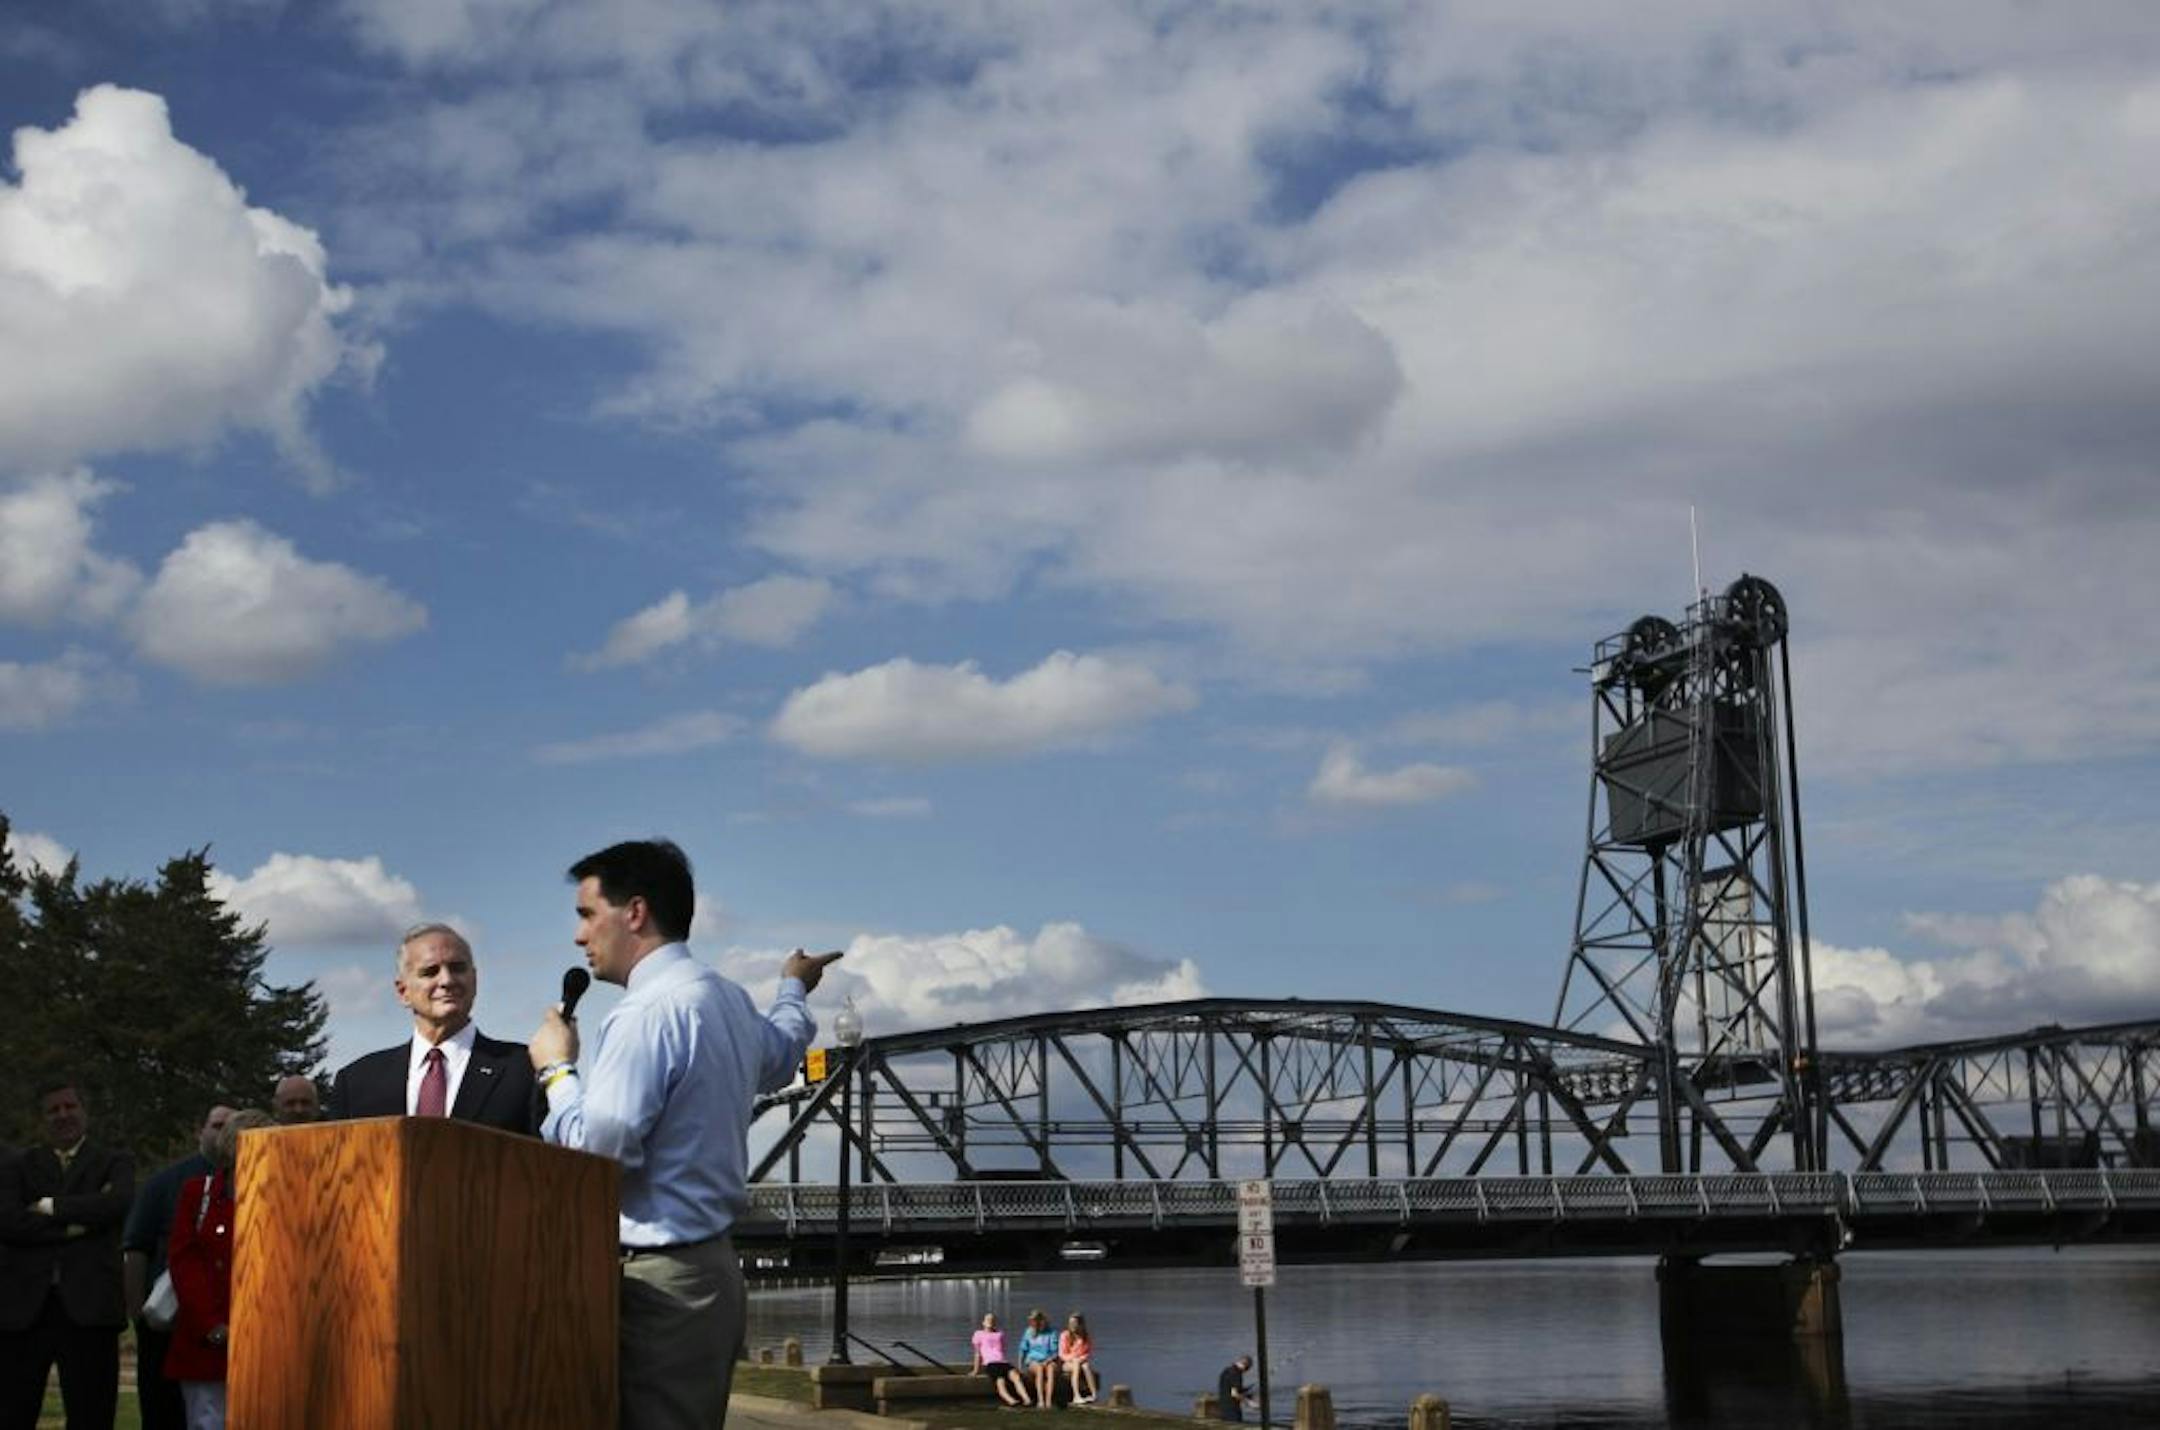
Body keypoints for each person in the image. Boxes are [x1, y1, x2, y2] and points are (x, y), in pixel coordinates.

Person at [528, 838, 841, 1430]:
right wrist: (792, 987)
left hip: (656, 1284)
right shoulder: (722, 996)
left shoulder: (646, 1013)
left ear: (635, 912)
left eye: (587, 914)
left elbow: (597, 1157)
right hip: (708, 1276)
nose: (578, 936)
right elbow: (780, 1055)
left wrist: (556, 1070)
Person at [0, 1079, 135, 1430]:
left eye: (69, 1107)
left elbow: (115, 1205)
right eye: (53, 1110)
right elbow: (10, 1222)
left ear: (84, 1111)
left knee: (92, 1414)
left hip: (90, 1311)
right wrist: (77, 1225)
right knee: (13, 1411)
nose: (63, 1115)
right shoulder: (18, 1165)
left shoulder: (114, 1161)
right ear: (42, 1119)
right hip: (26, 1311)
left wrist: (48, 1206)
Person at [327, 923, 540, 1134]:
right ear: (403, 992)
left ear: (474, 980)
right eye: (430, 972)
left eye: (458, 968)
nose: (447, 980)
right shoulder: (357, 1082)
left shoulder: (527, 1070)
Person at [122, 1104, 234, 1430]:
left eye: (231, 1126)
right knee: (164, 1411)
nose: (224, 1133)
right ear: (201, 1131)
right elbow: (135, 1247)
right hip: (169, 1323)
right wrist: (138, 1315)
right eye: (217, 1125)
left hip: (224, 1327)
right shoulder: (168, 1184)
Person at [162, 1109, 275, 1430]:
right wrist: (212, 1325)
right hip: (208, 1346)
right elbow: (184, 1264)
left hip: (266, 1348)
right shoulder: (199, 1195)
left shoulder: (286, 1197)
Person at [969, 1312, 1030, 1406]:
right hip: (990, 1363)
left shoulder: (1000, 1334)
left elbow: (1003, 1350)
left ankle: (1026, 1399)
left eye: (992, 1320)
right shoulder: (978, 1334)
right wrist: (975, 1370)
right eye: (988, 1319)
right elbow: (977, 1354)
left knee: (1016, 1377)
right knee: (1000, 1381)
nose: (990, 1321)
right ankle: (1010, 1400)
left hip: (1003, 1362)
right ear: (983, 1322)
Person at [1016, 1309, 1060, 1410]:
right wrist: (1019, 1365)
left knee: (1051, 1370)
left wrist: (1048, 1361)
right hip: (1033, 1361)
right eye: (1032, 1320)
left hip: (1049, 1359)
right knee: (1039, 1368)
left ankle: (1049, 1401)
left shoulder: (1051, 1333)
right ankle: (1041, 1400)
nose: (1033, 1322)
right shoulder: (1028, 1331)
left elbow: (1055, 1352)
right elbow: (1022, 1349)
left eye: (1035, 1320)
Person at [1058, 1312, 1098, 1405]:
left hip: (1080, 1361)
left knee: (1086, 1366)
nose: (1072, 1325)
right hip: (1066, 1363)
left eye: (1074, 1323)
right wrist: (1074, 1359)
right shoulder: (1065, 1335)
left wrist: (1081, 1359)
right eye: (1070, 1323)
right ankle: (1076, 1395)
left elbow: (1088, 1352)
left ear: (1080, 1324)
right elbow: (1062, 1354)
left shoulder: (1085, 1336)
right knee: (1076, 1364)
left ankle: (1094, 1394)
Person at [1217, 1354, 1253, 1422]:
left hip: (1223, 1407)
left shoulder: (1226, 1371)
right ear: (1246, 1366)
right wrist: (1249, 1403)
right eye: (1247, 1369)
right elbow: (1234, 1394)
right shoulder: (1236, 1374)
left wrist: (1244, 1390)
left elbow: (1228, 1388)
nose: (1245, 1372)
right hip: (1232, 1410)